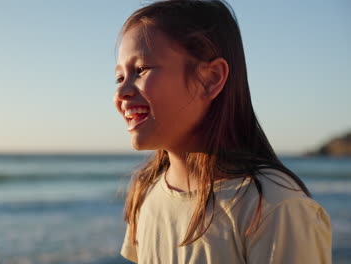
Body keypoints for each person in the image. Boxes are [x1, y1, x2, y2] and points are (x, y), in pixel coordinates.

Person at [112, 0, 332, 263]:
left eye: (141, 69)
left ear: (211, 78)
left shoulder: (274, 206)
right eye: (119, 77)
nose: (121, 92)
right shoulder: (146, 191)